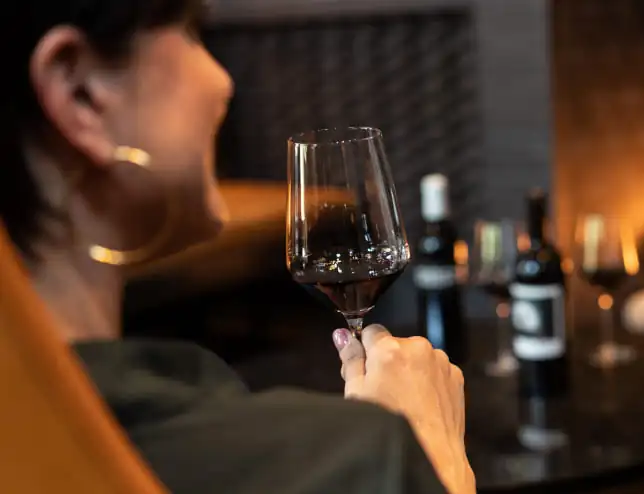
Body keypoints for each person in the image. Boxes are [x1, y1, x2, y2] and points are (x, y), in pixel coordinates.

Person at [0, 1, 474, 493]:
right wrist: (430, 458)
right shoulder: (350, 461)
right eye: (189, 32)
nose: (222, 82)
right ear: (81, 94)